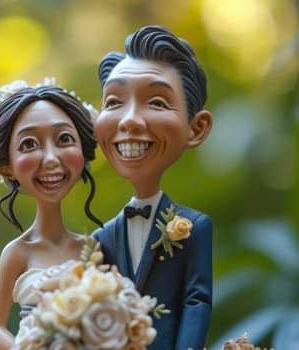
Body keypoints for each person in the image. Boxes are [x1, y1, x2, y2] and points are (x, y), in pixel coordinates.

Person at [91, 25, 214, 350]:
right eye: (114, 102)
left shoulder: (194, 227)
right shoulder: (101, 238)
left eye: (157, 103)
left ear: (196, 128)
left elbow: (196, 301)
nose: (129, 120)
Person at [0, 78, 103, 350]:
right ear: (7, 166)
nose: (51, 158)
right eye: (29, 144)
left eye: (64, 139)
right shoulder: (17, 253)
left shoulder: (95, 248)